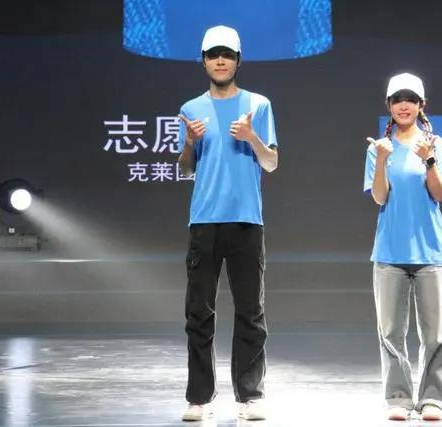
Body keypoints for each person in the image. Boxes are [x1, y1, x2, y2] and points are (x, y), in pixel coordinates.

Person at [177, 25, 278, 422]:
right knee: (198, 313)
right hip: (204, 221)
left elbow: (271, 162)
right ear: (203, 61)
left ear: (238, 60)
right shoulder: (191, 109)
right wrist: (189, 143)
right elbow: (186, 169)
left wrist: (253, 137)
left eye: (227, 54)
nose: (220, 60)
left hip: (246, 221)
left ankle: (250, 395)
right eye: (213, 54)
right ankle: (198, 398)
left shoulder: (259, 105)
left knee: (251, 311)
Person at [363, 72, 442, 421]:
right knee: (390, 332)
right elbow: (379, 197)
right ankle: (398, 398)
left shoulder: (437, 145)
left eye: (411, 99)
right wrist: (381, 159)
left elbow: (439, 194)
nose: (404, 105)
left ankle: (434, 398)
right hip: (390, 252)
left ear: (421, 105)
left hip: (431, 252)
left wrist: (428, 159)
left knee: (435, 333)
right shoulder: (378, 148)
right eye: (398, 99)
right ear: (389, 105)